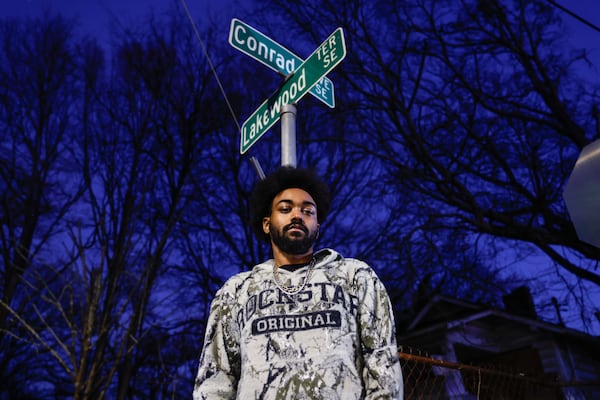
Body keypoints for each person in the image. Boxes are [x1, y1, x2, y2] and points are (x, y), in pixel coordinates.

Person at [193, 166, 403, 399]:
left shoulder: (355, 277)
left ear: (317, 226)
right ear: (266, 224)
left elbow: (382, 365)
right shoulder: (236, 291)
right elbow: (215, 378)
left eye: (308, 211)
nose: (297, 215)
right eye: (285, 208)